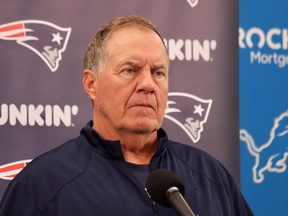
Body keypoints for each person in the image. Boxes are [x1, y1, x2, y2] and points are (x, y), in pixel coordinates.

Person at [0, 15, 253, 216]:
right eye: (130, 70)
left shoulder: (210, 176)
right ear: (91, 84)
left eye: (158, 73)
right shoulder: (42, 185)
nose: (148, 84)